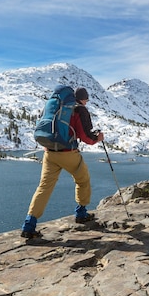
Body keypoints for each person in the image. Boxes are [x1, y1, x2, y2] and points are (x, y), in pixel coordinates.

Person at [21, 87, 105, 239]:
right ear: (82, 99)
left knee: (44, 187)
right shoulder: (79, 110)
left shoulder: (55, 106)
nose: (87, 102)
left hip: (49, 153)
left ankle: (29, 225)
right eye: (86, 99)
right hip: (68, 154)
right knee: (83, 179)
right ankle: (81, 213)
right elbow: (86, 137)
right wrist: (97, 138)